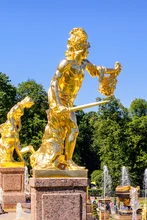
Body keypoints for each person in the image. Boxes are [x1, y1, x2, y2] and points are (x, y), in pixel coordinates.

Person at [30, 28, 122, 170]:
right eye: (83, 47)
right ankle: (68, 160)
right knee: (73, 129)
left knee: (70, 131)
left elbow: (97, 70)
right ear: (75, 48)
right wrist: (56, 105)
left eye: (86, 48)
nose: (86, 50)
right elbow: (53, 83)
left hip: (69, 103)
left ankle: (65, 160)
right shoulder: (66, 63)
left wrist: (113, 71)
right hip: (59, 101)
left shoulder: (84, 63)